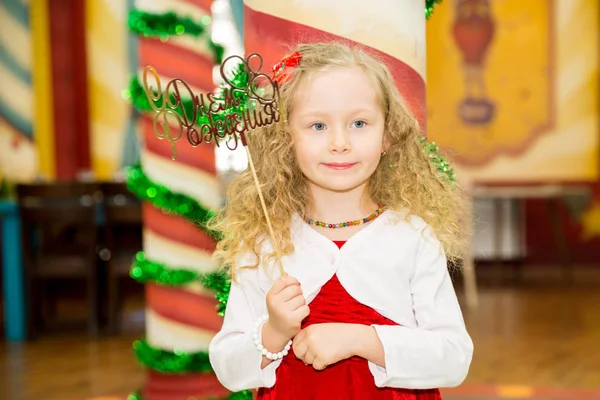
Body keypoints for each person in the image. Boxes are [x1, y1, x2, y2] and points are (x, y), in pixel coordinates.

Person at [208, 42, 473, 399]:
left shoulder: (412, 236)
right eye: (317, 125)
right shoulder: (265, 243)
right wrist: (274, 330)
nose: (340, 142)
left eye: (359, 123)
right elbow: (228, 369)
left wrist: (361, 339)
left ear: (387, 134)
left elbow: (454, 359)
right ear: (285, 139)